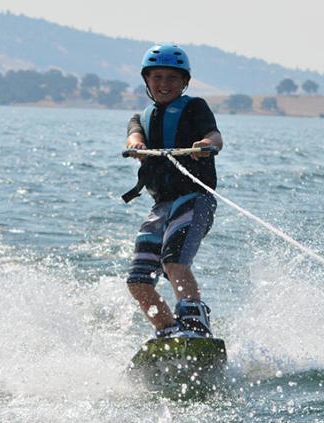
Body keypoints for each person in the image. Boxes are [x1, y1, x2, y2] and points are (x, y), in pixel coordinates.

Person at [122, 44, 223, 338]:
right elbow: (134, 137)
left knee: (174, 260)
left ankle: (195, 324)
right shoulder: (139, 117)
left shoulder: (195, 108)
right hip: (161, 206)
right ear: (147, 80)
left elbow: (214, 135)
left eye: (172, 78)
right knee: (138, 280)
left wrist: (206, 145)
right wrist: (137, 147)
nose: (164, 84)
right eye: (157, 77)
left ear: (184, 82)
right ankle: (168, 331)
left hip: (194, 199)